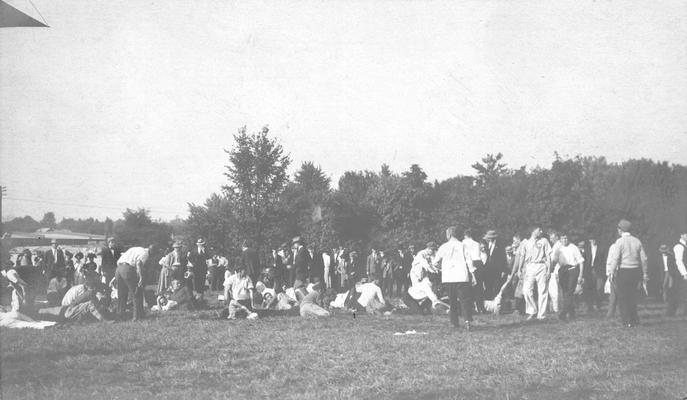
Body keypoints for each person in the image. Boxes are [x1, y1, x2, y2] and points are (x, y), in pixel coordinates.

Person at [608, 219, 648, 327]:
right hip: (635, 271)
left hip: (624, 271)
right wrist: (644, 273)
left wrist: (611, 272)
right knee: (632, 296)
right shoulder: (637, 241)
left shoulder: (619, 242)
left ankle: (626, 321)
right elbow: (644, 259)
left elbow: (615, 258)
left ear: (620, 230)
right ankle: (634, 319)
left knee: (623, 297)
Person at [434, 226, 474, 330]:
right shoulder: (463, 245)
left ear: (449, 235)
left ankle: (454, 322)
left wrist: (440, 268)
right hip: (462, 276)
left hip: (449, 277)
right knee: (464, 300)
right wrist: (472, 274)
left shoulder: (443, 247)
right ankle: (467, 320)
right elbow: (469, 260)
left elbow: (435, 262)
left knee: (452, 300)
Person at [518, 225, 552, 320]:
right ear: (533, 231)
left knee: (542, 291)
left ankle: (541, 315)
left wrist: (549, 269)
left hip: (541, 266)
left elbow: (548, 256)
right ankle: (532, 310)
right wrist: (519, 269)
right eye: (539, 230)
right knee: (526, 290)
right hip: (530, 266)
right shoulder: (526, 242)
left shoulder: (544, 241)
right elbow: (522, 256)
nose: (541, 231)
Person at [116, 244, 156, 321]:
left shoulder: (136, 249)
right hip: (127, 269)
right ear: (151, 251)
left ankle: (120, 315)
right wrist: (140, 276)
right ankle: (136, 317)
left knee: (121, 294)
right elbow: (138, 263)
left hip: (118, 269)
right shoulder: (145, 253)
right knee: (136, 293)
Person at [407, 242, 449, 311]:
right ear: (428, 248)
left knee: (428, 287)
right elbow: (425, 264)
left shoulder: (431, 255)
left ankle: (426, 302)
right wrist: (432, 270)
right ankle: (416, 302)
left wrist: (438, 269)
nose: (433, 251)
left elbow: (434, 264)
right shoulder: (421, 253)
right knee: (418, 288)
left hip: (424, 273)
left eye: (434, 249)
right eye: (432, 249)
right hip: (415, 273)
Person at [552, 233, 585, 320]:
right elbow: (554, 261)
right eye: (562, 238)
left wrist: (580, 275)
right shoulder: (558, 249)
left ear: (568, 239)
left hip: (572, 270)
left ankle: (563, 312)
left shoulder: (574, 247)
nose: (564, 240)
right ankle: (572, 312)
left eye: (566, 238)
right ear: (560, 239)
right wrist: (550, 270)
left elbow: (581, 261)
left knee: (570, 291)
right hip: (563, 271)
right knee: (565, 292)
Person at [463, 229, 486, 313]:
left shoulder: (463, 243)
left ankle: (471, 307)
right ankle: (480, 307)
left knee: (468, 287)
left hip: (470, 263)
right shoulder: (477, 244)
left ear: (465, 235)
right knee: (479, 287)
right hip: (479, 263)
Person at [583, 237, 607, 313]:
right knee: (589, 288)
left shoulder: (602, 248)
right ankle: (590, 306)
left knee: (599, 288)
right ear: (589, 240)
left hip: (599, 271)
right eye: (591, 239)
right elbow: (584, 261)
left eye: (594, 239)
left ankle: (598, 305)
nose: (593, 241)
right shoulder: (587, 249)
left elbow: (604, 261)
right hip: (589, 271)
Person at [483, 230, 508, 300]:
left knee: (496, 287)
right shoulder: (486, 245)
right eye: (489, 238)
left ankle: (496, 304)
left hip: (497, 270)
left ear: (495, 238)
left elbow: (503, 258)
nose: (490, 239)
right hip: (487, 270)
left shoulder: (500, 245)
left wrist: (503, 270)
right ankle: (488, 304)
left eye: (491, 238)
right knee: (488, 287)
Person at [667, 232, 687, 316]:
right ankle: (671, 312)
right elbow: (679, 261)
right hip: (679, 274)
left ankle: (681, 312)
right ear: (681, 235)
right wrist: (684, 274)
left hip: (682, 274)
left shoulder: (684, 246)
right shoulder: (679, 246)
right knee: (675, 293)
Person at [547, 230, 561, 314]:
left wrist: (549, 270)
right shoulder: (555, 245)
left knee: (554, 290)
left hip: (555, 270)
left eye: (552, 238)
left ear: (557, 237)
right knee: (553, 290)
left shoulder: (558, 246)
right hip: (554, 270)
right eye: (550, 238)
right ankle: (555, 307)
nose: (550, 239)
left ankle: (556, 309)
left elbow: (553, 260)